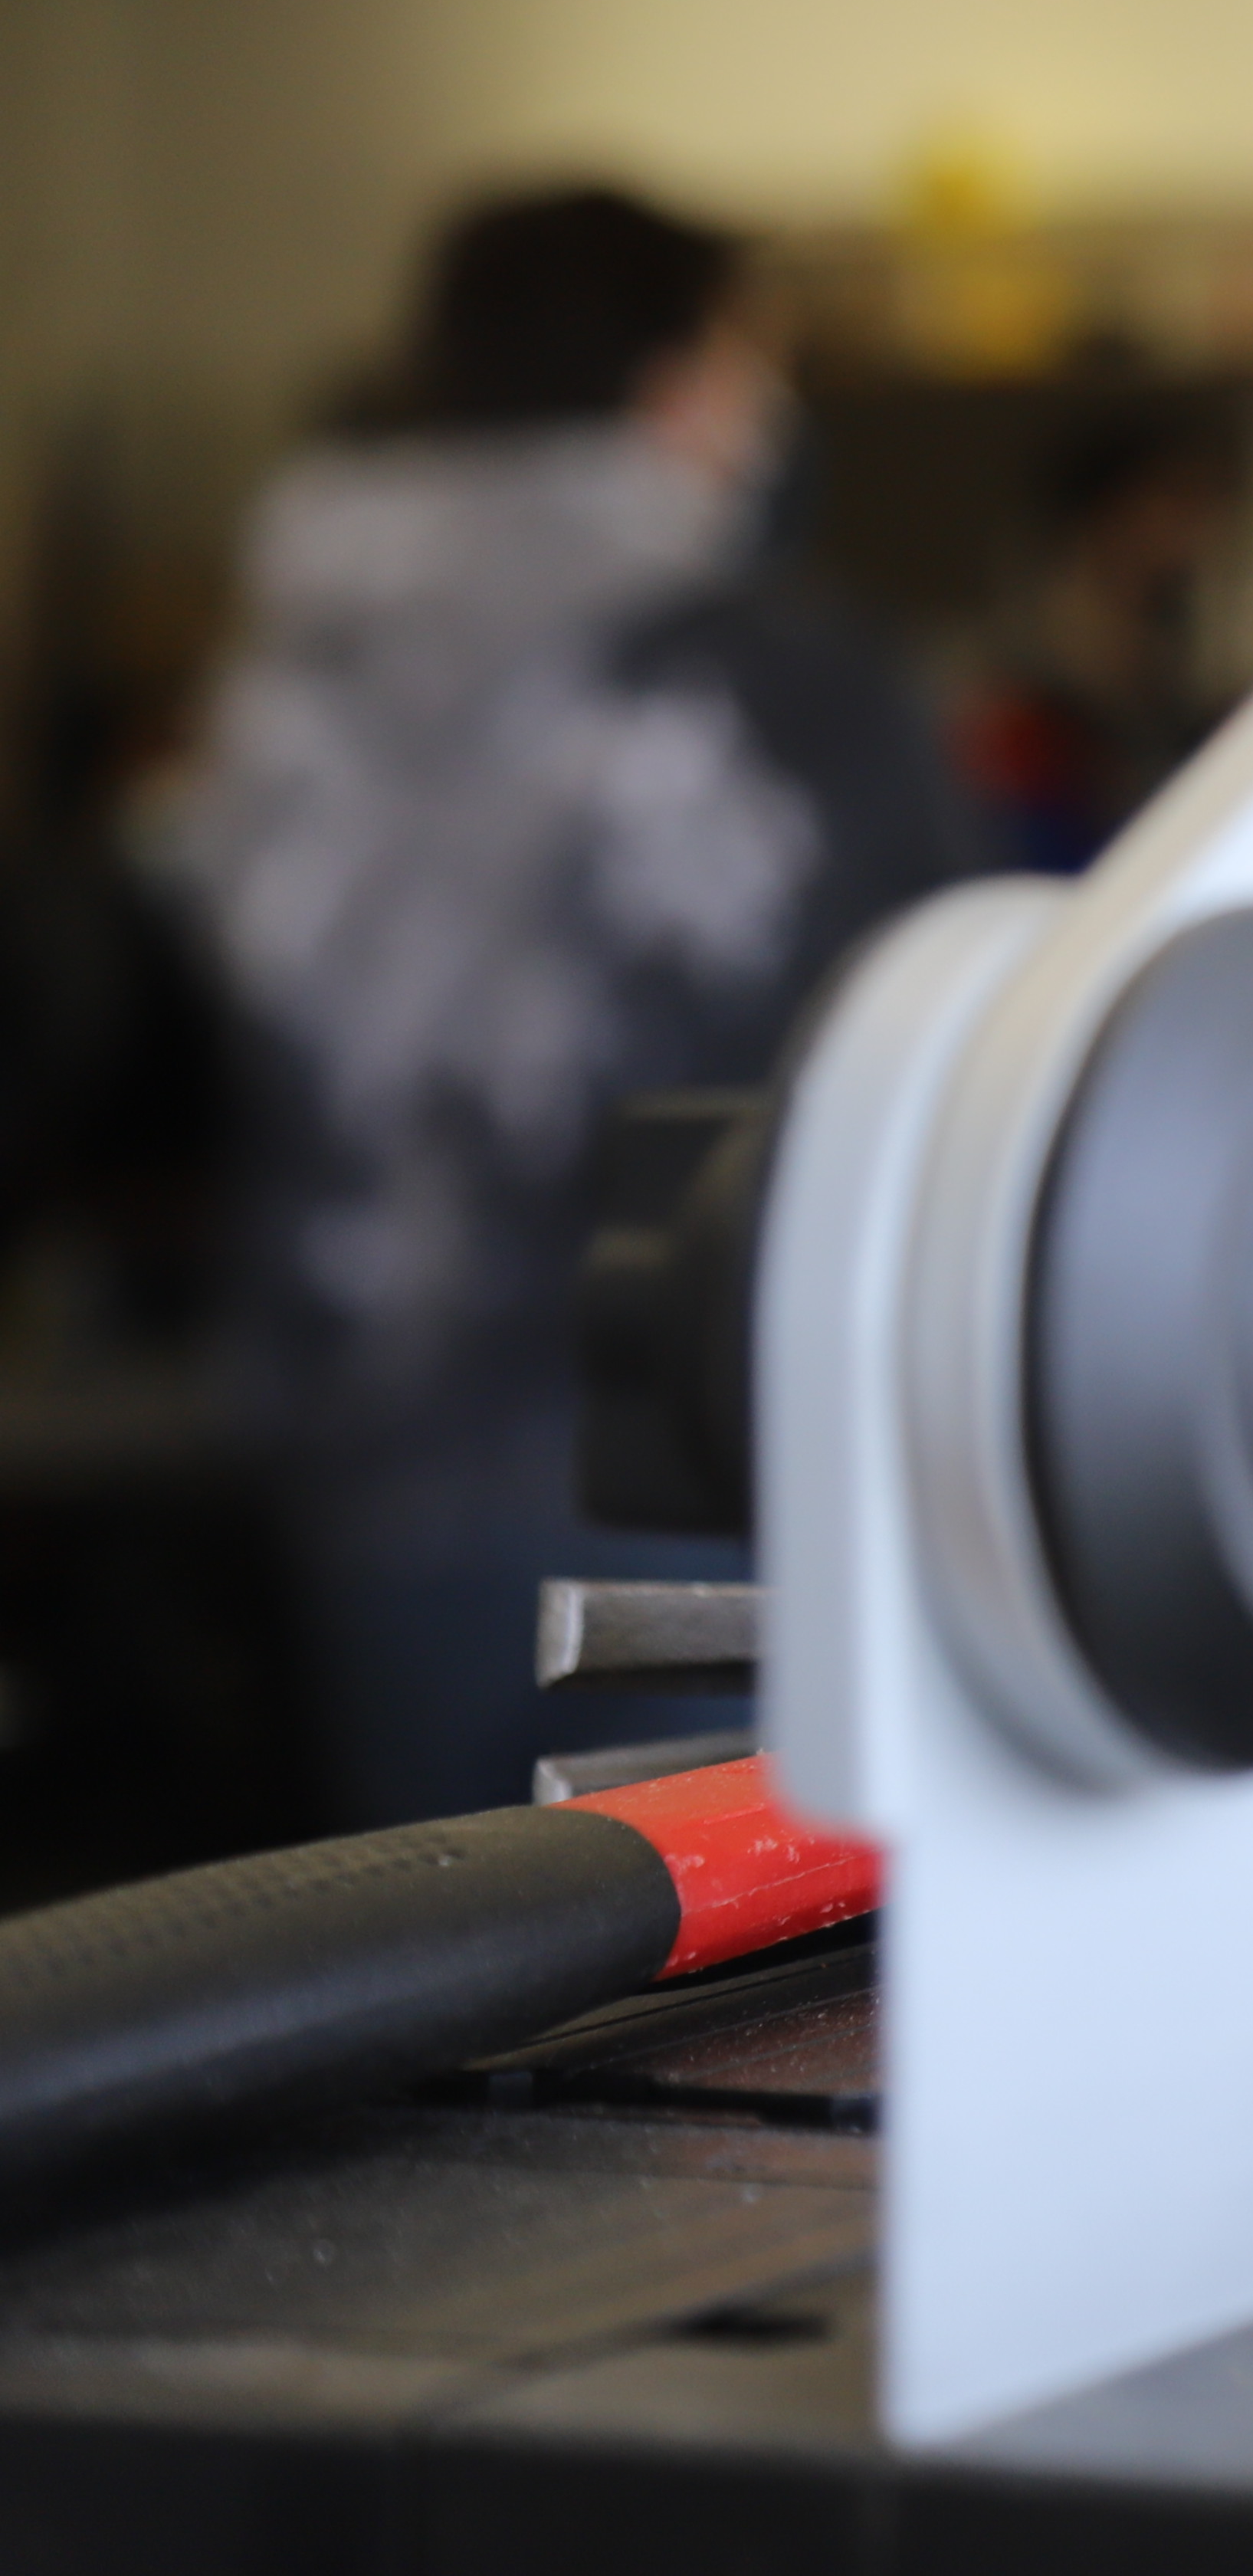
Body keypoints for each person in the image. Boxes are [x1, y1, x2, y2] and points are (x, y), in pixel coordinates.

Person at [179, 185, 975, 1824]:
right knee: (711, 2031)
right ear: (680, 382)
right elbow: (952, 1028)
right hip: (692, 1457)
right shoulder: (776, 677)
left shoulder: (285, 683)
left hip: (367, 1454)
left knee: (421, 1996)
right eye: (753, 360)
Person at [953, 395, 1248, 872]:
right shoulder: (1032, 671)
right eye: (1179, 499)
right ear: (1111, 512)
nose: (1201, 529)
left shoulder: (1173, 631)